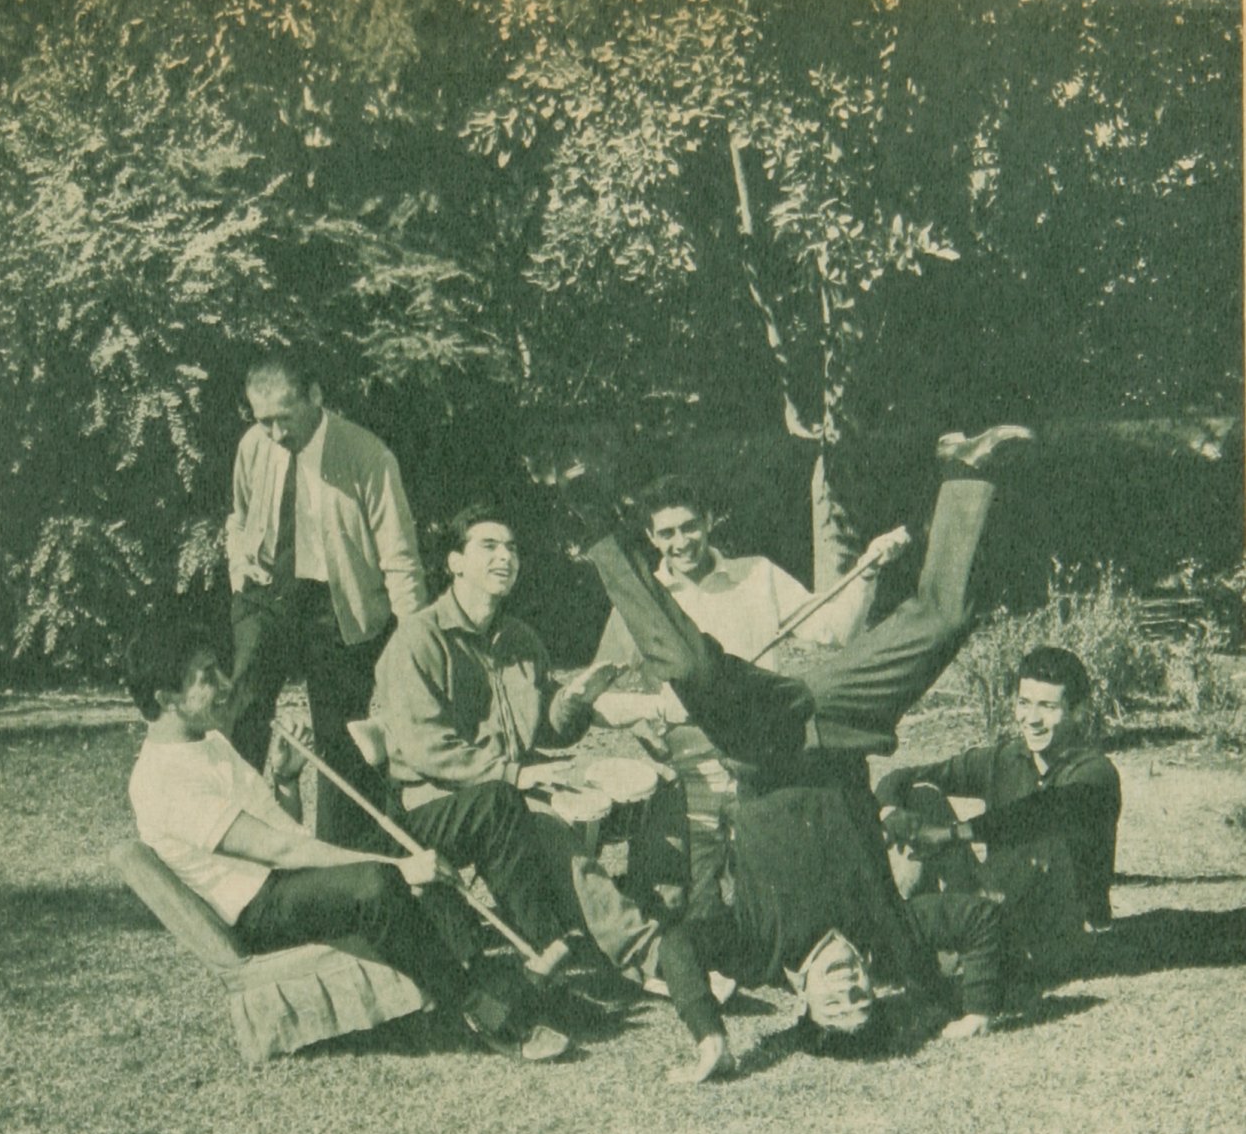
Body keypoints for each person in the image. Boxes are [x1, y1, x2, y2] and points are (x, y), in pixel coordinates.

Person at [556, 424, 1035, 1081]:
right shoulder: (890, 936)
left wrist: (709, 1037)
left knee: (693, 668)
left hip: (763, 739)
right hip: (844, 720)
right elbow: (979, 920)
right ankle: (967, 473)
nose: (850, 988)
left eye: (835, 1005)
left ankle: (596, 530)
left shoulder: (756, 950)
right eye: (862, 999)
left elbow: (678, 945)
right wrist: (975, 1008)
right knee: (943, 623)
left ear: (803, 1001)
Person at [124, 615, 568, 1061]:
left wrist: (286, 780)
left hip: (288, 877)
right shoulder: (163, 780)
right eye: (206, 677)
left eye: (219, 670)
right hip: (260, 910)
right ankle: (477, 1009)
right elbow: (280, 850)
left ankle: (546, 955)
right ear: (167, 698)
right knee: (376, 883)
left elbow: (284, 831)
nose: (225, 684)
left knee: (491, 803)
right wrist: (401, 867)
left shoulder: (208, 742)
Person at [372, 502, 685, 984]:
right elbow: (425, 748)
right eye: (489, 546)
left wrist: (575, 699)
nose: (506, 557)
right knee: (552, 832)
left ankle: (665, 916)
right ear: (455, 562)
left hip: (510, 786)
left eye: (512, 548)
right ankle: (651, 956)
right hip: (437, 802)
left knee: (658, 783)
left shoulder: (519, 638)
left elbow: (547, 730)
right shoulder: (419, 639)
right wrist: (514, 774)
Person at [592, 474, 908, 899]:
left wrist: (868, 569)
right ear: (650, 537)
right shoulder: (644, 601)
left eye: (689, 527)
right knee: (695, 901)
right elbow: (596, 694)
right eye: (666, 533)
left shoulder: (758, 574)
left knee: (777, 891)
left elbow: (834, 630)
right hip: (691, 773)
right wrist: (649, 716)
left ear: (708, 520)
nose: (681, 542)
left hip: (764, 761)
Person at [225, 350, 427, 845]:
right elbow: (238, 517)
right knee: (241, 708)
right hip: (268, 594)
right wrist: (238, 566)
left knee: (343, 736)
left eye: (284, 418)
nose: (275, 433)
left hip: (340, 608)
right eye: (264, 420)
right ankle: (230, 831)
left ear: (314, 396)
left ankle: (342, 856)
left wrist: (416, 642)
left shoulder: (367, 456)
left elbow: (399, 557)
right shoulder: (253, 445)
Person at [875, 645, 1121, 987]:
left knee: (1038, 838)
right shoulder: (1006, 758)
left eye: (1047, 707)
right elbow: (901, 777)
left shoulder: (1095, 773)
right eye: (1024, 703)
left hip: (1057, 931)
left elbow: (1035, 815)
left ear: (1079, 712)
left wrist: (948, 834)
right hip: (992, 904)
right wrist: (892, 814)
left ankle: (935, 945)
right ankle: (914, 934)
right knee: (921, 795)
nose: (1032, 718)